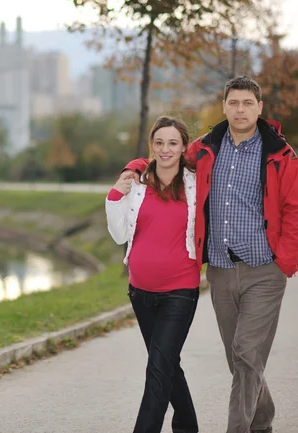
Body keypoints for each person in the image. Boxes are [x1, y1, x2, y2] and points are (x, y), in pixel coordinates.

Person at [121, 75, 298, 433]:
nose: (240, 109)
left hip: (264, 270)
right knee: (240, 358)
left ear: (259, 108)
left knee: (245, 353)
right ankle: (263, 419)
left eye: (248, 103)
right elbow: (167, 153)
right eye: (234, 103)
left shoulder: (280, 154)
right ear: (224, 106)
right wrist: (133, 168)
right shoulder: (207, 148)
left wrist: (282, 261)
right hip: (222, 271)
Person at [106, 115, 200, 433]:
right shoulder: (137, 183)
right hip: (140, 292)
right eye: (158, 142)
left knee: (158, 369)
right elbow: (119, 235)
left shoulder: (196, 184)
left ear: (184, 146)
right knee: (167, 364)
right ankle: (187, 425)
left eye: (173, 142)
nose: (165, 149)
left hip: (180, 290)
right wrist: (115, 196)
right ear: (152, 146)